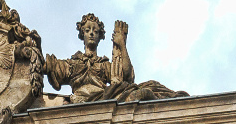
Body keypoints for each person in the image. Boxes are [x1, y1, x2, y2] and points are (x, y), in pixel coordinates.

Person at [44, 13, 185, 105]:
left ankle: (172, 105)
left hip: (105, 97)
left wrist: (122, 45)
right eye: (87, 30)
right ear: (82, 34)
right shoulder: (72, 63)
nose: (91, 33)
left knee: (148, 89)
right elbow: (47, 67)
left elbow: (126, 77)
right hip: (84, 100)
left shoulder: (104, 65)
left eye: (95, 31)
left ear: (100, 36)